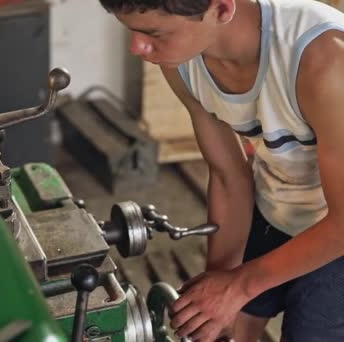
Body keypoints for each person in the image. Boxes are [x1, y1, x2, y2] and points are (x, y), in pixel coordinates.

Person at [97, 0, 344, 341]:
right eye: (132, 31)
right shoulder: (182, 62)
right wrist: (217, 290)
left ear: (222, 9)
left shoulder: (326, 60)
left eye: (154, 33)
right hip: (280, 202)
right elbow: (229, 177)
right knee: (232, 327)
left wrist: (238, 286)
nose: (137, 47)